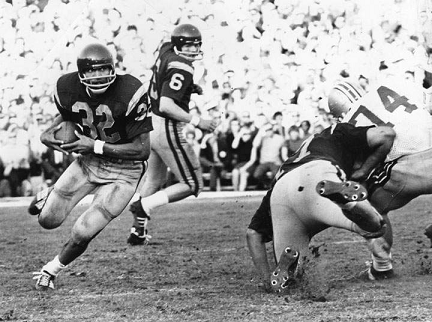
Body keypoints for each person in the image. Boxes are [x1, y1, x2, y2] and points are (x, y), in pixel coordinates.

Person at [28, 42, 152, 290]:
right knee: (47, 221)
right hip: (89, 161)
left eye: (103, 69)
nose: (98, 76)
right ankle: (49, 195)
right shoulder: (66, 87)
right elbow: (69, 113)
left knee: (84, 230)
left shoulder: (130, 90)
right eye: (92, 71)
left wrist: (94, 145)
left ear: (113, 68)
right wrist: (47, 133)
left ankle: (50, 270)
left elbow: (142, 150)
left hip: (125, 171)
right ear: (81, 73)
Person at [246, 121, 396, 292]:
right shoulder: (337, 132)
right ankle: (344, 202)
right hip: (318, 174)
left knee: (293, 283)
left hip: (281, 190)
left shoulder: (294, 158)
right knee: (375, 227)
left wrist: (265, 279)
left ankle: (278, 276)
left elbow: (253, 234)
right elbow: (386, 134)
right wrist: (363, 171)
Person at [127, 23, 218, 245]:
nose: (195, 49)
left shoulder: (167, 48)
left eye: (197, 44)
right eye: (189, 45)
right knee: (193, 184)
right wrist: (197, 121)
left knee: (154, 180)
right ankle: (143, 205)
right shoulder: (183, 67)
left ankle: (138, 231)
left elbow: (163, 77)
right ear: (179, 45)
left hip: (150, 123)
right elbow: (167, 104)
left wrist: (188, 88)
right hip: (166, 126)